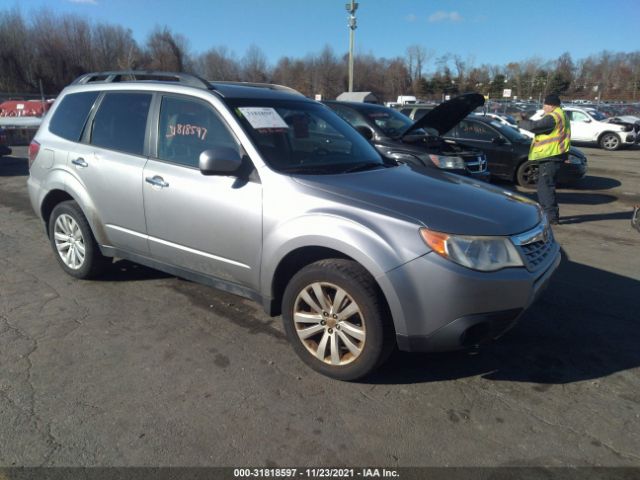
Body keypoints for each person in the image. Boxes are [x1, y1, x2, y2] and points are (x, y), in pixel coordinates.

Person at [521, 94, 571, 225]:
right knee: (546, 187)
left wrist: (520, 121)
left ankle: (550, 217)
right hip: (554, 156)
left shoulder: (553, 117)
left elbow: (534, 126)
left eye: (545, 104)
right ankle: (549, 214)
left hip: (550, 157)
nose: (543, 107)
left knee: (545, 188)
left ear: (552, 105)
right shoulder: (562, 115)